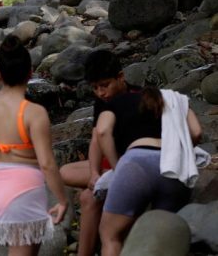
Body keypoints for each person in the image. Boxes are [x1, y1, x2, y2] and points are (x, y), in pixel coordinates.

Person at [0, 35, 67, 254]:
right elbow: (46, 163)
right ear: (30, 73)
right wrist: (63, 199)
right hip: (23, 190)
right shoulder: (34, 113)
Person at [96, 86, 202, 256]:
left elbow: (102, 131)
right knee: (161, 234)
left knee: (110, 235)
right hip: (174, 167)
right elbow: (196, 132)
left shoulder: (118, 101)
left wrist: (117, 166)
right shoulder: (176, 99)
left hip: (136, 163)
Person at [58, 50, 136, 256]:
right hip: (109, 164)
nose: (101, 92)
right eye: (95, 88)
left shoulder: (137, 98)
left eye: (105, 85)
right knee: (65, 171)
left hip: (130, 166)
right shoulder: (103, 102)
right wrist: (93, 172)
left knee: (88, 197)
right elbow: (96, 140)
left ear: (120, 77)